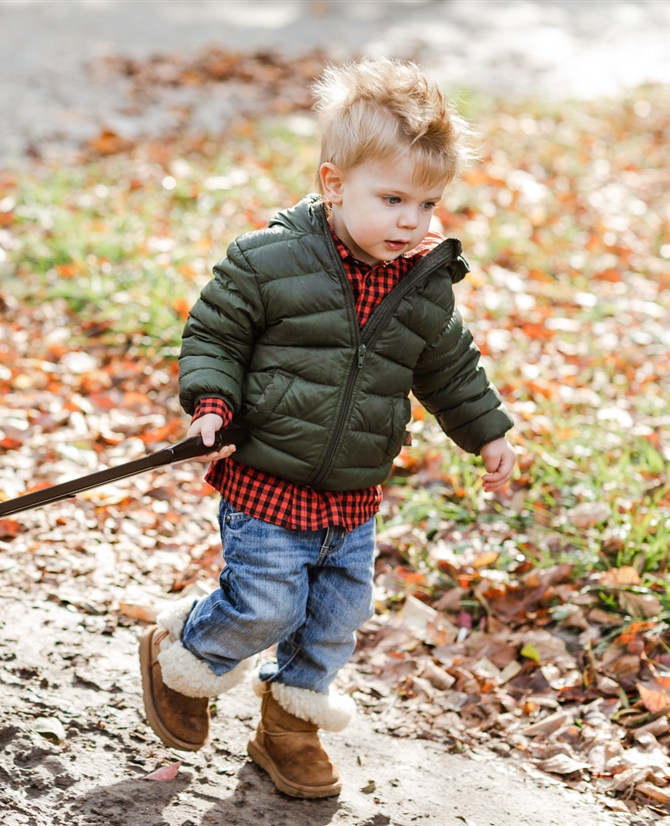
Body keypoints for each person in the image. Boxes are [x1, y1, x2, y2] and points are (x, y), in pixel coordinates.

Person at [139, 56, 516, 799]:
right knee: (267, 603)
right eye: (394, 198)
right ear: (334, 185)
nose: (413, 221)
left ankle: (289, 728)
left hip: (352, 495)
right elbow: (214, 334)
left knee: (336, 619)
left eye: (429, 204)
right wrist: (211, 400)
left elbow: (452, 370)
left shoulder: (423, 286)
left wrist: (488, 431)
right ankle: (184, 651)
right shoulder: (270, 260)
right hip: (267, 478)